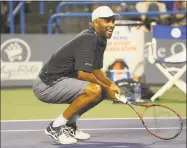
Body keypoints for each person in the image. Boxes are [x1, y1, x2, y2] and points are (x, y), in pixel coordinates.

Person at [32, 6, 121, 145]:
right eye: (107, 21)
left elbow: (96, 70)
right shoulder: (88, 38)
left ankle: (70, 126)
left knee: (101, 90)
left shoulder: (101, 39)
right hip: (46, 85)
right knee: (95, 90)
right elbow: (83, 74)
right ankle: (55, 127)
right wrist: (106, 87)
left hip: (60, 81)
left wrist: (110, 85)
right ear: (96, 22)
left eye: (113, 21)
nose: (112, 24)